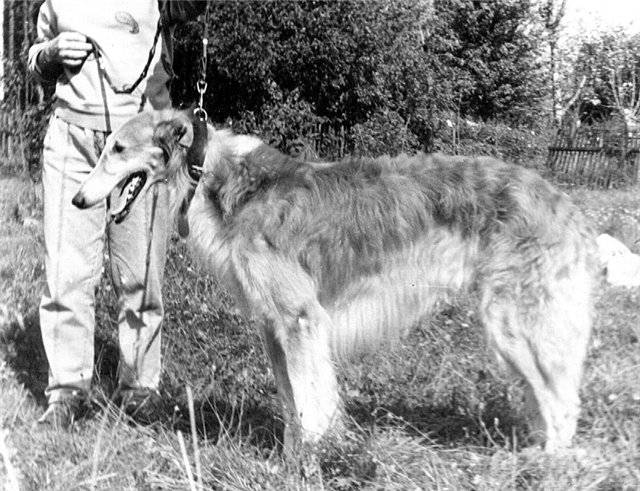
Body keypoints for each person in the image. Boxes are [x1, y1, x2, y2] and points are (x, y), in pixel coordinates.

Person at [28, 0, 206, 428]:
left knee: (141, 278)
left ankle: (139, 392)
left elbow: (189, 7)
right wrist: (50, 54)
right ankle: (67, 393)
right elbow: (35, 60)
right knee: (67, 275)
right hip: (73, 140)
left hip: (142, 142)